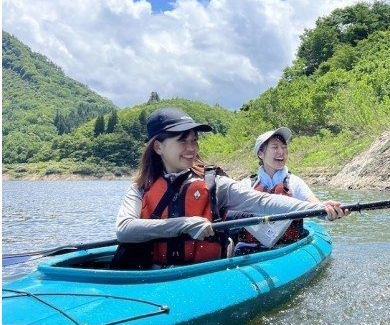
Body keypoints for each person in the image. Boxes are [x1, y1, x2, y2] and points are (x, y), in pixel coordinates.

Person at [112, 107, 346, 269]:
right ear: (158, 147)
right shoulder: (140, 188)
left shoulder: (214, 184)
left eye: (194, 140)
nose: (192, 148)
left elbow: (261, 202)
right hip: (154, 272)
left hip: (206, 273)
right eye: (182, 140)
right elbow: (124, 229)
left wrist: (317, 208)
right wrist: (184, 224)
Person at [232, 127, 330, 253]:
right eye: (275, 147)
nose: (281, 152)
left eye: (284, 147)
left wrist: (329, 213)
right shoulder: (246, 185)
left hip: (287, 249)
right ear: (260, 154)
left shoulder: (294, 183)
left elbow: (316, 206)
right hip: (250, 250)